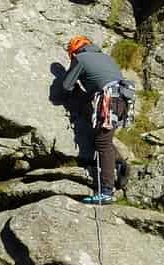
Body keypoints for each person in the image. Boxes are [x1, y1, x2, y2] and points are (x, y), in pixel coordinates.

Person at [57, 35, 134, 205]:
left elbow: (66, 86)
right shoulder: (106, 57)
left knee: (102, 143)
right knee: (102, 138)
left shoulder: (81, 58)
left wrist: (73, 92)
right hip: (122, 100)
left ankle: (106, 190)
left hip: (108, 100)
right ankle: (119, 163)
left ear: (74, 51)